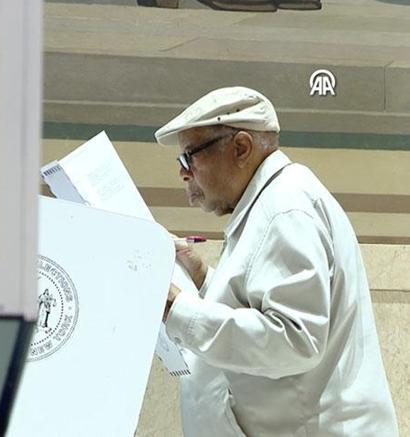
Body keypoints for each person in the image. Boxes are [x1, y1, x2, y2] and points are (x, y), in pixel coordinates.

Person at [155, 86, 398, 436]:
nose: (183, 173)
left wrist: (177, 308)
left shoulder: (285, 208)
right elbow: (260, 301)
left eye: (189, 157)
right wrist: (203, 277)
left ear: (241, 147)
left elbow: (296, 341)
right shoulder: (271, 203)